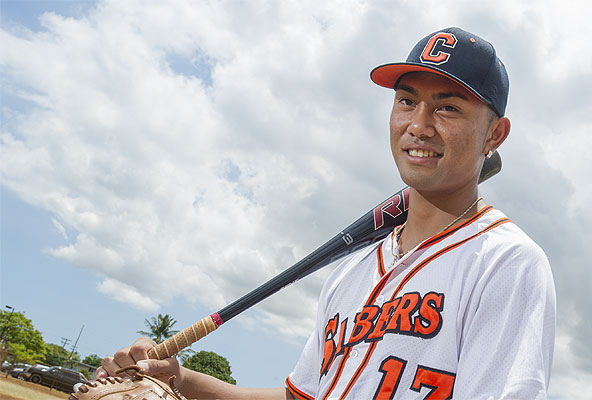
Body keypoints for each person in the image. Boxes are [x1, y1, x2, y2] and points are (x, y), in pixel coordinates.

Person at [97, 27, 556, 400]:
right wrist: (182, 380)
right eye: (407, 101)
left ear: (495, 134)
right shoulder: (352, 270)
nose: (419, 124)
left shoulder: (506, 264)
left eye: (448, 108)